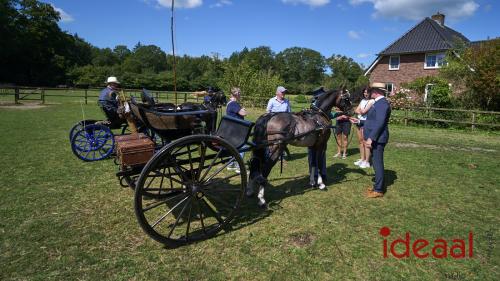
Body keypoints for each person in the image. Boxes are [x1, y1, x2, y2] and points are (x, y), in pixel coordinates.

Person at [363, 83, 391, 198]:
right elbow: (373, 121)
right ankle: (377, 186)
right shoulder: (378, 103)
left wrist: (371, 138)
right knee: (375, 162)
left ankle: (379, 190)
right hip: (376, 137)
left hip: (378, 139)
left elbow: (380, 123)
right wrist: (359, 122)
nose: (369, 93)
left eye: (370, 91)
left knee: (377, 163)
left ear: (375, 92)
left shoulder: (382, 104)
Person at [351, 87, 374, 168]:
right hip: (359, 122)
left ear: (371, 93)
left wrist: (361, 110)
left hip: (366, 123)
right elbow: (356, 110)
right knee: (360, 141)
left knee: (365, 142)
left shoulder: (371, 101)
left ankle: (367, 161)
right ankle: (362, 159)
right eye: (364, 92)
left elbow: (363, 112)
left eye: (367, 92)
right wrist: (361, 110)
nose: (366, 94)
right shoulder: (363, 101)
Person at [226, 87, 247, 173]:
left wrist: (241, 109)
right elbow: (243, 113)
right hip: (236, 128)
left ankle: (231, 164)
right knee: (242, 146)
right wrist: (243, 110)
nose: (240, 95)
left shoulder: (230, 103)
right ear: (237, 94)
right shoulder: (234, 104)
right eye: (239, 93)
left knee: (233, 146)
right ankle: (239, 167)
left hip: (231, 128)